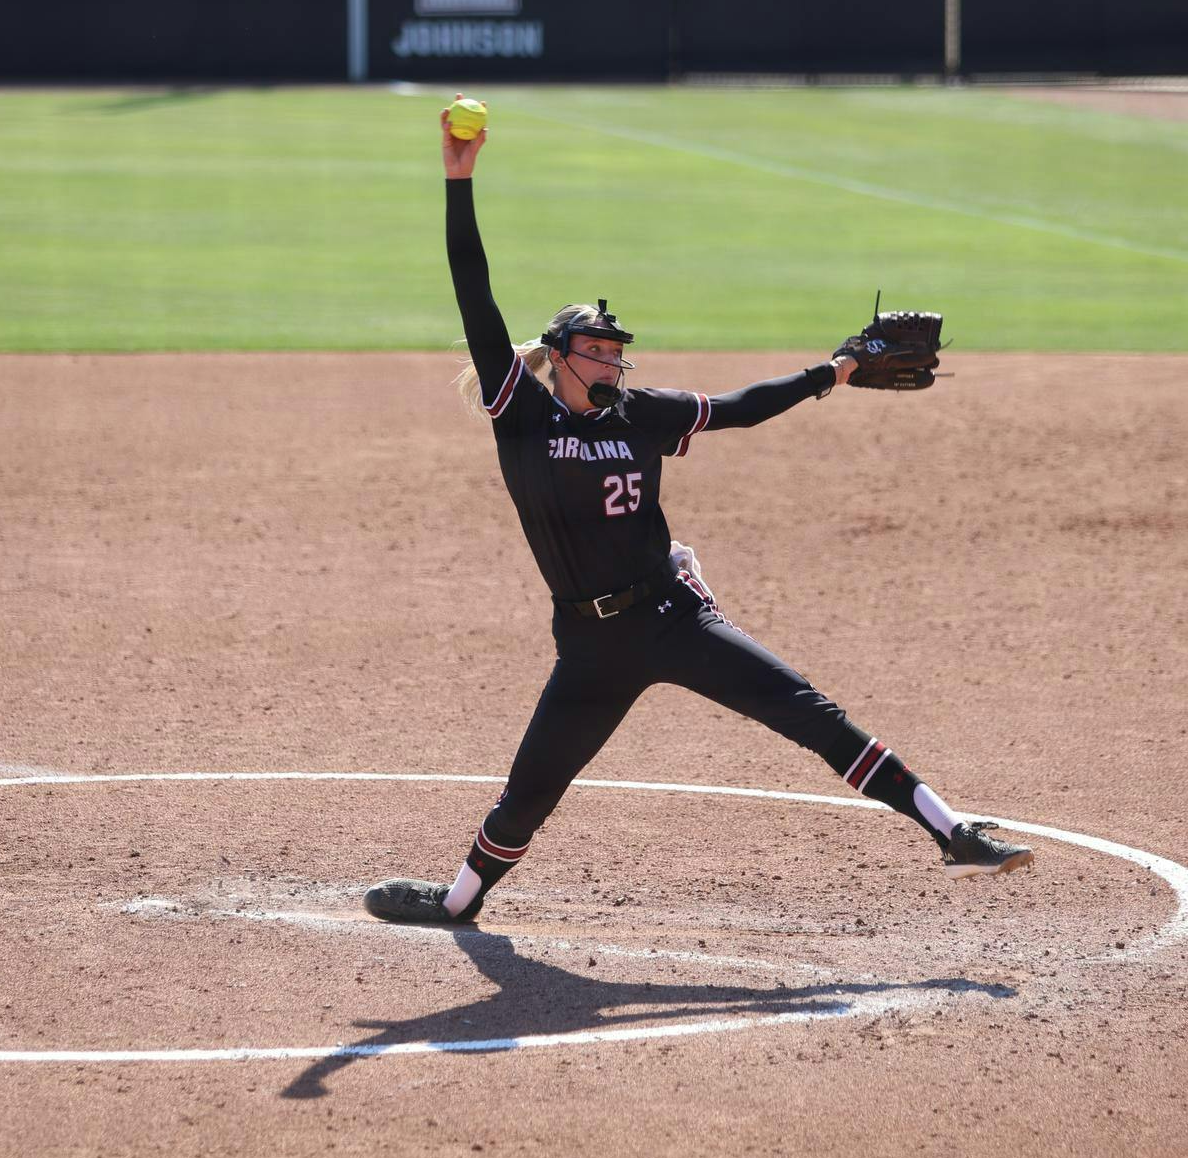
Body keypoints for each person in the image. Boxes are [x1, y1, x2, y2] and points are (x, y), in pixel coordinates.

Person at [362, 97, 1034, 925]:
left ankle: (951, 830)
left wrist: (835, 369)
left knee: (810, 714)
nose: (615, 359)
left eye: (619, 350)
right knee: (530, 791)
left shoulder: (640, 413)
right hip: (589, 646)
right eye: (600, 349)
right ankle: (459, 902)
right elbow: (473, 286)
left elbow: (743, 408)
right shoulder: (523, 415)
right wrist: (457, 180)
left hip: (676, 618)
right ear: (560, 356)